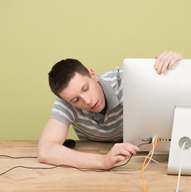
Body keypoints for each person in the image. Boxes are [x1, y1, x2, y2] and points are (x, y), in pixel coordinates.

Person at [38, 51, 183, 169]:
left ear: (93, 75)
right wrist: (103, 161)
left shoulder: (127, 79)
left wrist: (178, 67)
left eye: (86, 88)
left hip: (148, 158)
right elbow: (46, 150)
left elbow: (177, 90)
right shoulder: (66, 101)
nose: (87, 101)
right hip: (106, 163)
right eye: (76, 100)